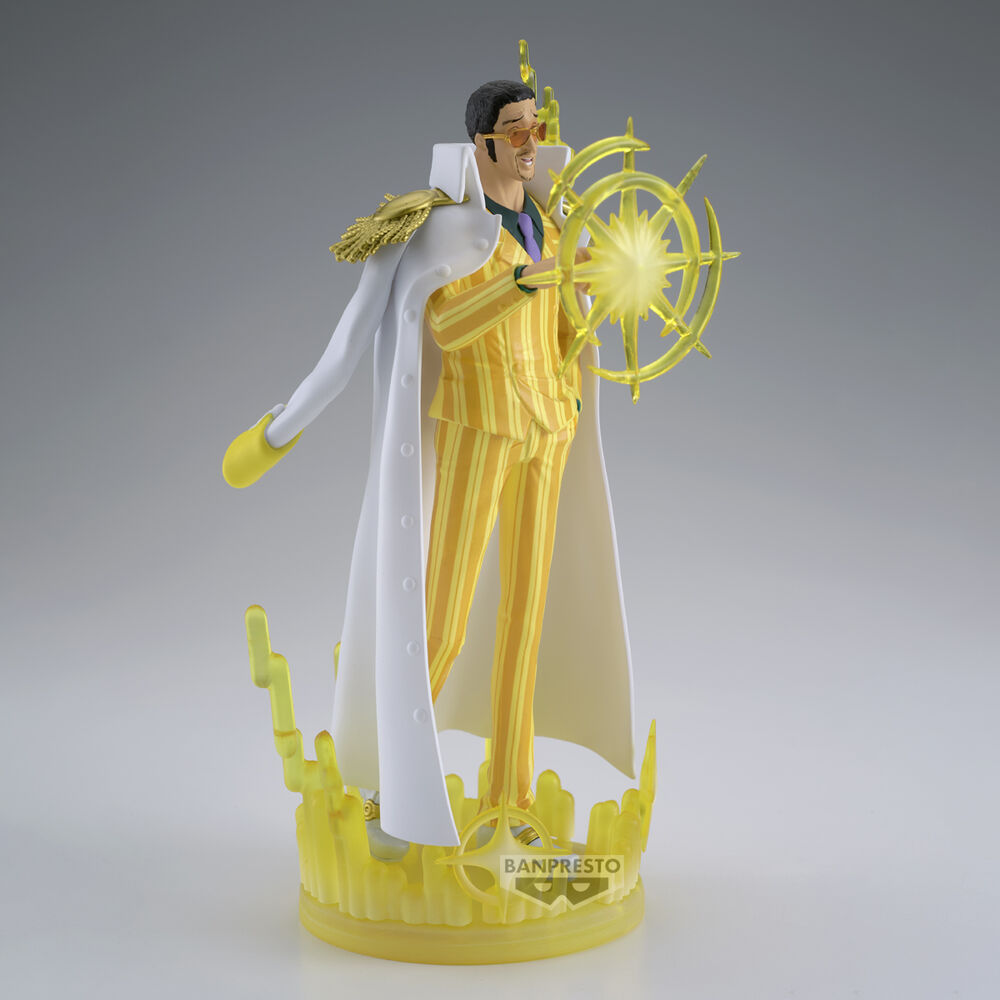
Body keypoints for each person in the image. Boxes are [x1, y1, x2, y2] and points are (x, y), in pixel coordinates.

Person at [224, 80, 635, 850]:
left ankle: (511, 800)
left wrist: (585, 317)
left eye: (536, 127)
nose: (531, 142)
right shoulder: (447, 227)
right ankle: (390, 785)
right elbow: (447, 325)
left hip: (547, 428)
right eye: (516, 130)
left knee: (526, 623)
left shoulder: (549, 221)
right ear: (484, 143)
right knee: (439, 620)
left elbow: (565, 325)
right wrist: (275, 435)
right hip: (479, 426)